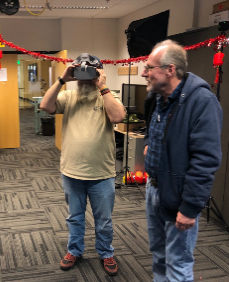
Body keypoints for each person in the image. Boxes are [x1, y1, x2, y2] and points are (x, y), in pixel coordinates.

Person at [142, 40, 223, 282]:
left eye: (149, 67)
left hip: (179, 196)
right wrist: (148, 143)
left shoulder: (201, 102)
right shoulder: (155, 97)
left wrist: (189, 208)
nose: (144, 73)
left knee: (178, 261)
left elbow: (205, 160)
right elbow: (152, 127)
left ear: (170, 69)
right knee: (158, 254)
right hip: (153, 189)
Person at [40, 54, 125, 276]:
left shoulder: (108, 96)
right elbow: (45, 106)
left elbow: (118, 117)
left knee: (103, 220)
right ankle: (74, 251)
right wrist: (61, 79)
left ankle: (106, 253)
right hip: (72, 172)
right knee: (75, 217)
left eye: (92, 73)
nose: (86, 78)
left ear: (100, 73)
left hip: (102, 173)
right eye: (82, 73)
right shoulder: (68, 96)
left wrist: (103, 87)